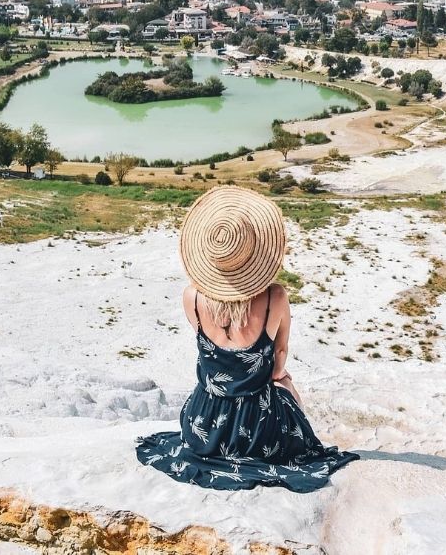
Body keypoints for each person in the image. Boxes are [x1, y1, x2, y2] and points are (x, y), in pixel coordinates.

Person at [136, 185, 359, 491]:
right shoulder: (274, 298)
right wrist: (282, 379)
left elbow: (217, 358)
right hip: (256, 432)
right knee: (286, 391)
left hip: (202, 425)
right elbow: (279, 358)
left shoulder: (192, 297)